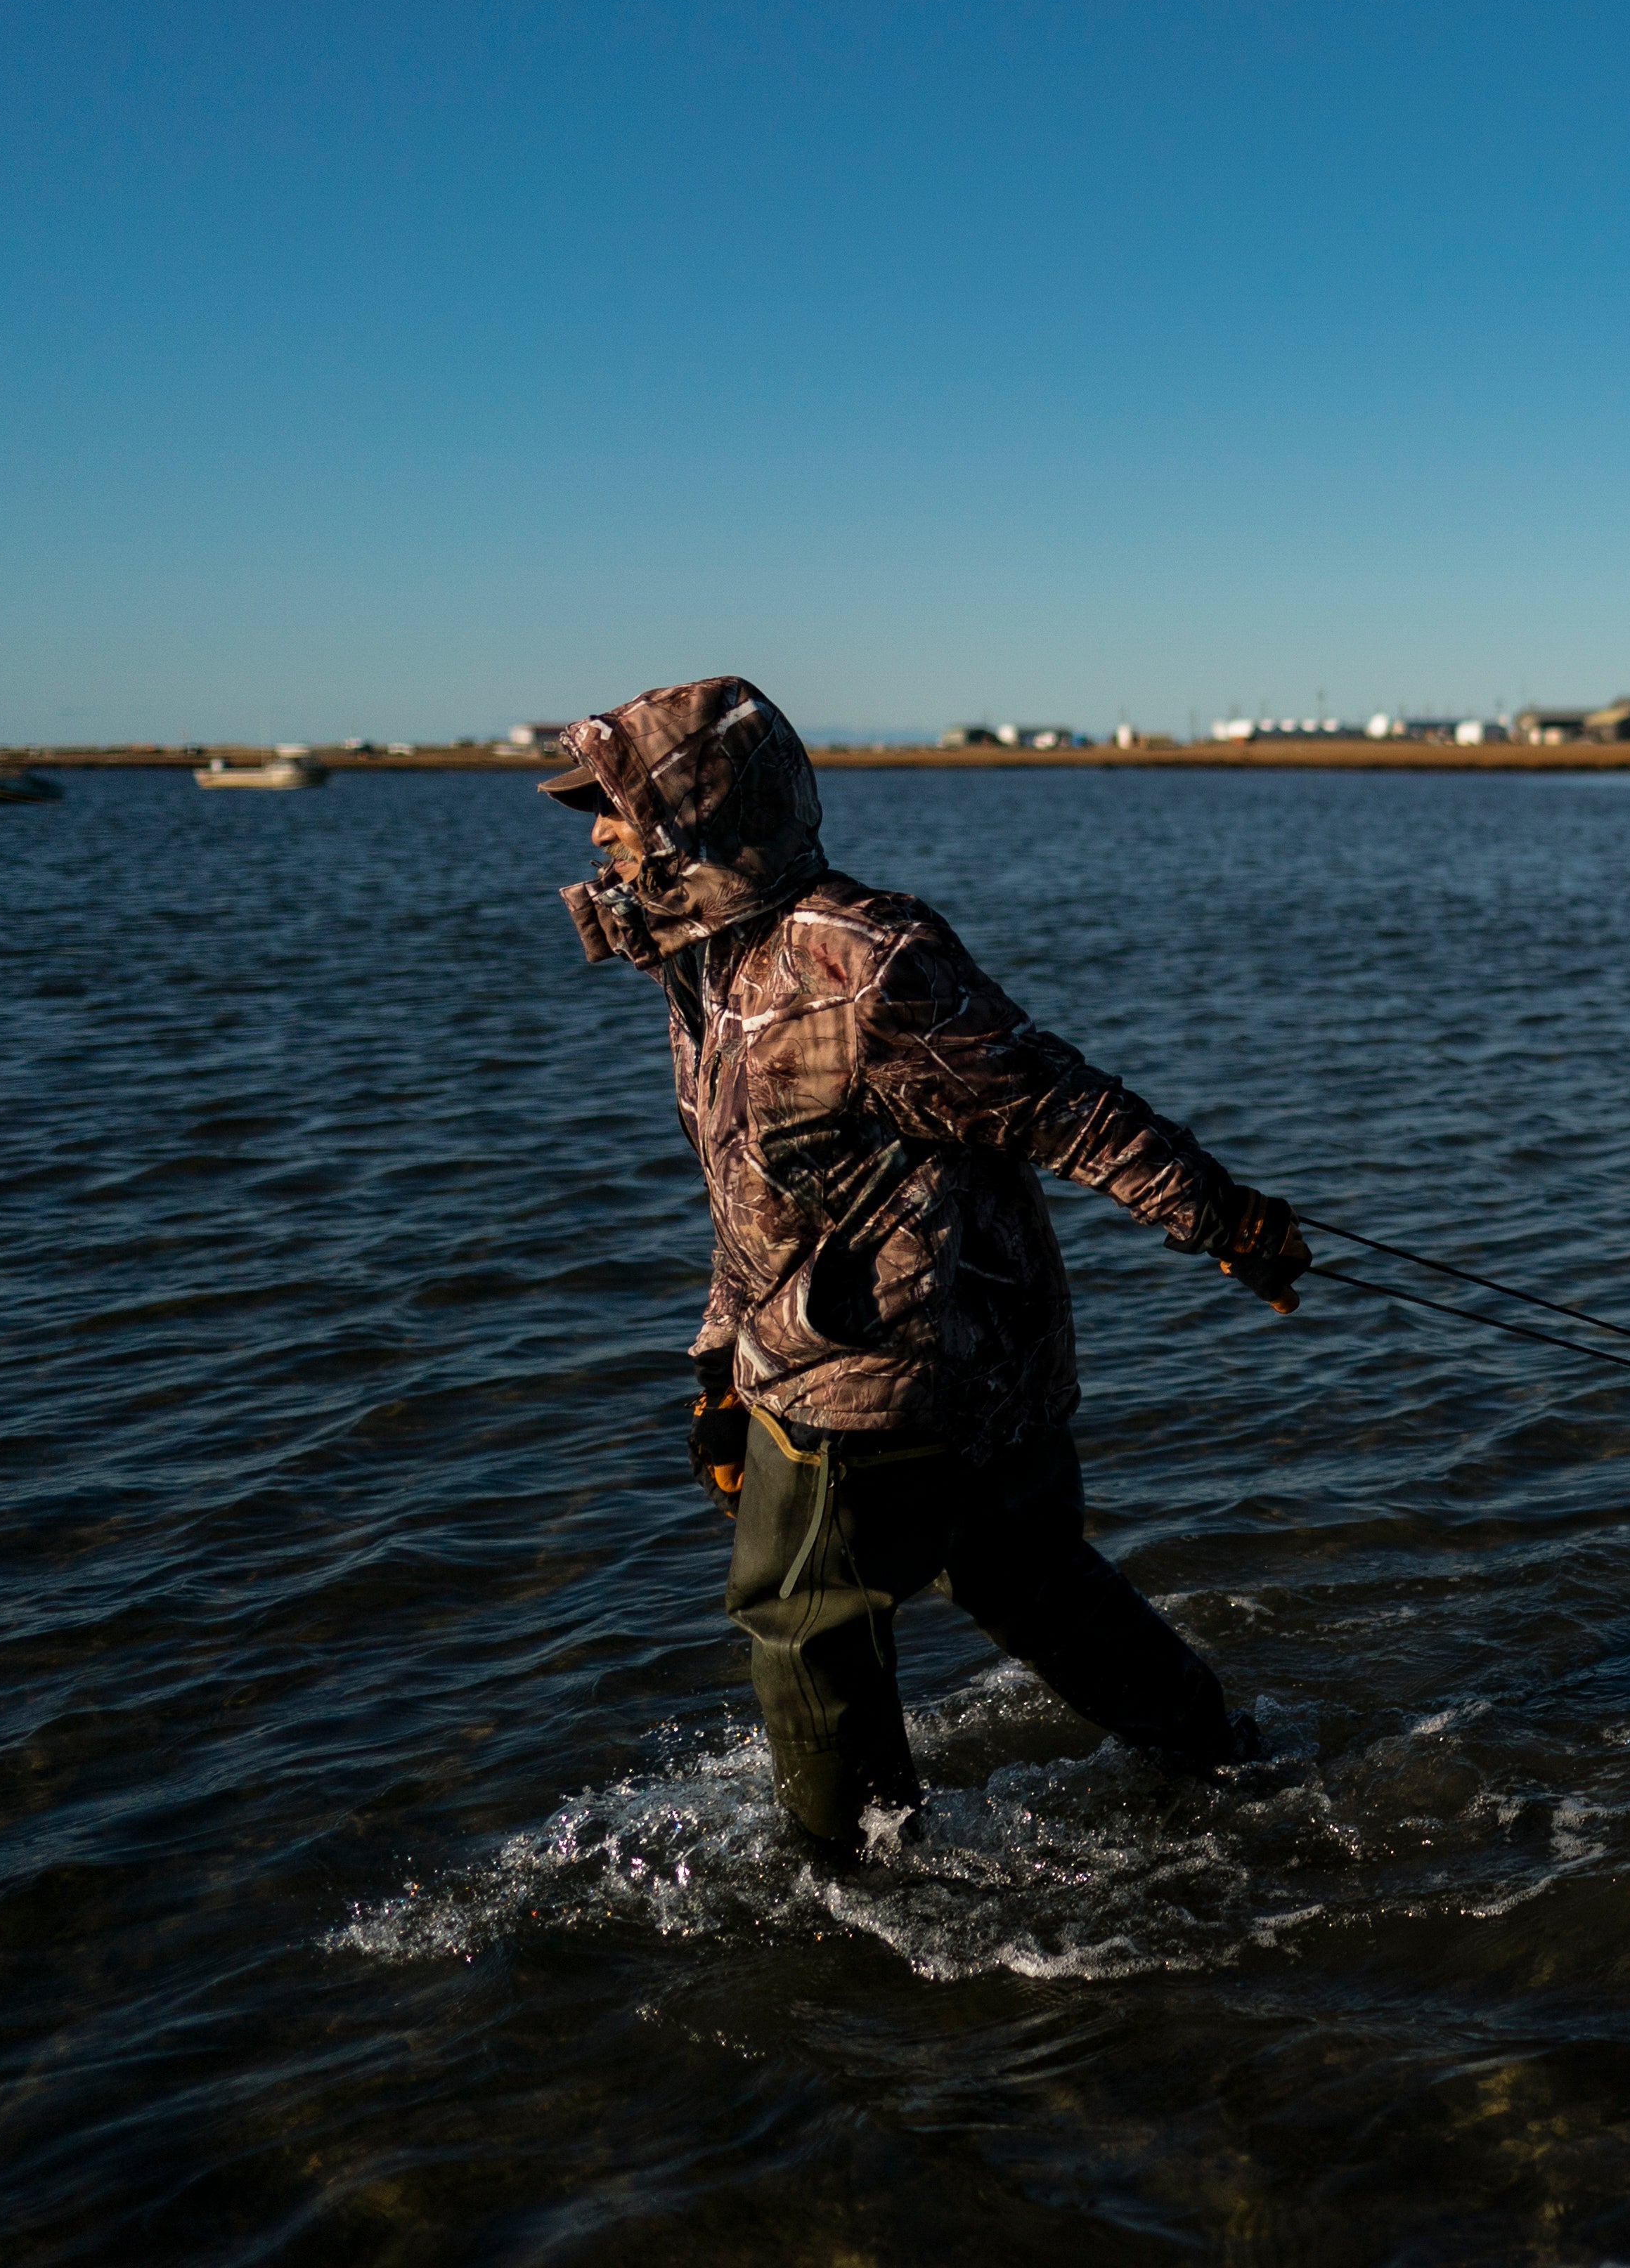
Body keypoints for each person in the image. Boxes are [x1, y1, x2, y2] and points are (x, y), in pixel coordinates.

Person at [543, 676, 1310, 1858]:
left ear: (696, 818)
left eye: (615, 807)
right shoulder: (711, 969)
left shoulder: (859, 956)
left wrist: (1228, 1223)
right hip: (968, 1361)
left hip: (875, 1377)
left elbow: (1065, 1109)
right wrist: (712, 1371)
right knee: (1025, 1574)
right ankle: (1230, 1769)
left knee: (798, 1614)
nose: (596, 833)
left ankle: (860, 1888)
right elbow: (756, 1194)